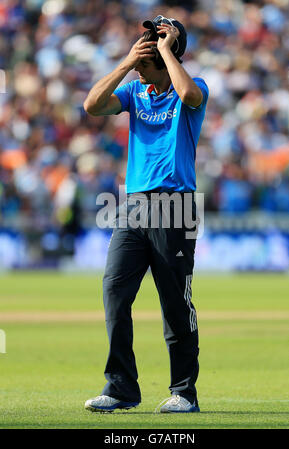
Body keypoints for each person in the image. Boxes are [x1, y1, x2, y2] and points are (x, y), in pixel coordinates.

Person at [83, 15, 209, 413]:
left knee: (175, 304)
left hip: (176, 206)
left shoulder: (193, 86)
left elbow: (189, 95)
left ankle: (184, 393)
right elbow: (92, 105)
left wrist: (169, 51)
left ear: (170, 50)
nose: (142, 52)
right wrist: (124, 62)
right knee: (115, 292)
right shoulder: (135, 92)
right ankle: (121, 388)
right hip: (132, 206)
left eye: (148, 47)